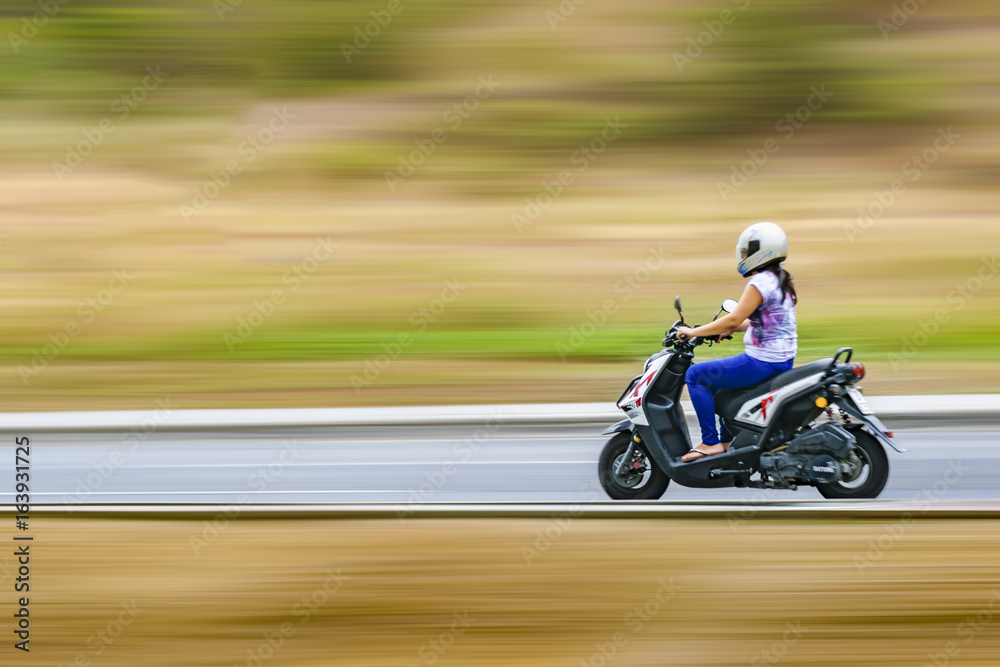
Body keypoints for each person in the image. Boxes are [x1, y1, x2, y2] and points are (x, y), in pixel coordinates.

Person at [676, 222, 798, 461]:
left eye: (747, 251)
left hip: (763, 361)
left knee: (696, 376)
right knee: (720, 384)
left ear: (761, 251)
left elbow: (732, 319)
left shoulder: (760, 282)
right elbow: (762, 322)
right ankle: (728, 441)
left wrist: (692, 333)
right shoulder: (780, 279)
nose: (743, 256)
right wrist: (721, 330)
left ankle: (710, 443)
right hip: (781, 359)